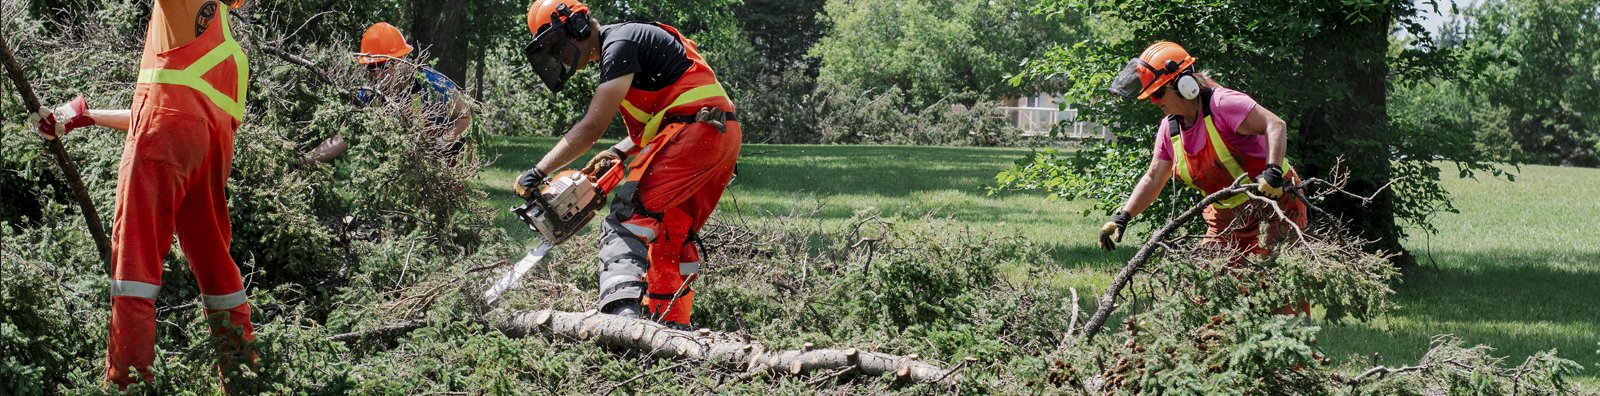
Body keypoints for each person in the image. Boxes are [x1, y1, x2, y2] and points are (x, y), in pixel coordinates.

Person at [26, 0, 255, 388]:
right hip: (211, 152)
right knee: (216, 264)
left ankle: (126, 382)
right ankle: (245, 376)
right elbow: (176, 116)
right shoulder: (233, 54)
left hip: (163, 142)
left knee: (134, 262)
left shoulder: (183, 7)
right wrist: (88, 115)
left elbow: (164, 122)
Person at [512, 0, 741, 327]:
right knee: (668, 235)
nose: (558, 56)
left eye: (557, 45)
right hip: (718, 134)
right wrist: (619, 153)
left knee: (625, 220)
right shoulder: (625, 49)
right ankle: (671, 328)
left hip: (695, 132)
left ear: (577, 26)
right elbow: (665, 113)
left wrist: (538, 172)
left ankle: (620, 320)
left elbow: (591, 127)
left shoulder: (620, 43)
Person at [1096, 41, 1310, 316]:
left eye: (1159, 92)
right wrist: (1123, 216)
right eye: (1150, 95)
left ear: (1185, 84)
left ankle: (1296, 357)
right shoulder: (1169, 129)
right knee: (1205, 290)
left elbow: (1275, 124)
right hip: (1224, 219)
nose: (1155, 100)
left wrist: (1273, 171)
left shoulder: (1224, 104)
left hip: (1274, 207)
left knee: (1282, 293)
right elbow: (1153, 177)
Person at [304, 22, 473, 165]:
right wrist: (303, 161)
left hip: (448, 159)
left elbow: (465, 117)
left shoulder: (433, 84)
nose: (376, 73)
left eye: (383, 65)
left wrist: (442, 142)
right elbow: (342, 138)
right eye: (371, 67)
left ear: (400, 62)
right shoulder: (369, 96)